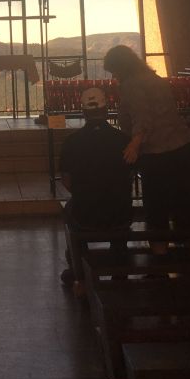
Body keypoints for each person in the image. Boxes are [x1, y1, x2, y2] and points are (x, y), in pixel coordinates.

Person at [102, 44, 190, 252]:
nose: (114, 76)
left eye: (114, 71)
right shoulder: (153, 79)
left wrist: (134, 144)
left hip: (159, 155)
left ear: (120, 68)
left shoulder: (131, 85)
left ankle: (159, 264)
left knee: (157, 210)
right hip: (186, 148)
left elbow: (143, 118)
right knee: (187, 208)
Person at [59, 85, 133, 289]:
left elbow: (66, 179)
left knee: (69, 212)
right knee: (120, 214)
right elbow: (130, 174)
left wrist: (86, 193)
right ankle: (119, 270)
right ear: (107, 110)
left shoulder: (71, 142)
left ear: (83, 112)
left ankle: (78, 269)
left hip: (85, 214)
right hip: (119, 214)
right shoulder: (123, 140)